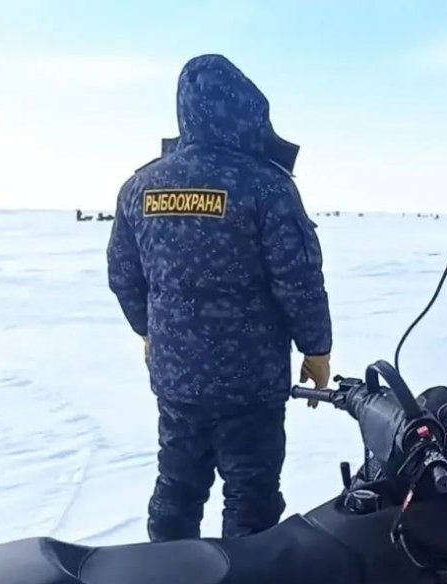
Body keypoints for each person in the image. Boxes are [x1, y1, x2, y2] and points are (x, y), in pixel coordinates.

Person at [106, 54, 333, 542]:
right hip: (250, 384)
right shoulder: (267, 186)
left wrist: (150, 330)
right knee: (251, 498)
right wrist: (316, 348)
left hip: (178, 378)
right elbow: (298, 279)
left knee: (177, 488)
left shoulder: (141, 186)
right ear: (248, 112)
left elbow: (124, 277)